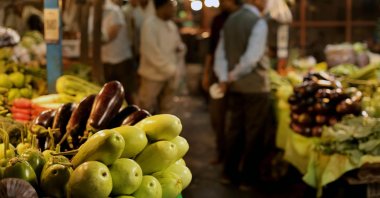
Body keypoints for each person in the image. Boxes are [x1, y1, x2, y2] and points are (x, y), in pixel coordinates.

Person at [213, 0, 270, 189]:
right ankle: (248, 178)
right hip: (255, 87)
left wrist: (224, 77)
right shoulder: (258, 22)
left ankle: (229, 174)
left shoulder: (230, 21)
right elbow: (251, 59)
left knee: (235, 130)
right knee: (254, 132)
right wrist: (232, 75)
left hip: (235, 86)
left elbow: (220, 54)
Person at [202, 0, 241, 165]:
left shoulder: (244, 19)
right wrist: (206, 72)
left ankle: (234, 157)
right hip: (219, 75)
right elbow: (212, 49)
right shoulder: (218, 20)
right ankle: (221, 152)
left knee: (236, 120)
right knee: (217, 115)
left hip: (239, 75)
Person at [137, 0, 186, 114]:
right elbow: (151, 52)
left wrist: (180, 47)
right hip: (152, 75)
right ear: (162, 7)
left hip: (170, 75)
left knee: (167, 108)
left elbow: (178, 44)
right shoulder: (149, 24)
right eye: (171, 6)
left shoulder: (171, 25)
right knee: (146, 108)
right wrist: (170, 69)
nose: (174, 9)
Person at [89, 0, 136, 103]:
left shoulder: (114, 11)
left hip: (120, 59)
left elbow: (112, 34)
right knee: (110, 96)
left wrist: (95, 42)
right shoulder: (92, 11)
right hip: (105, 60)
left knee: (125, 95)